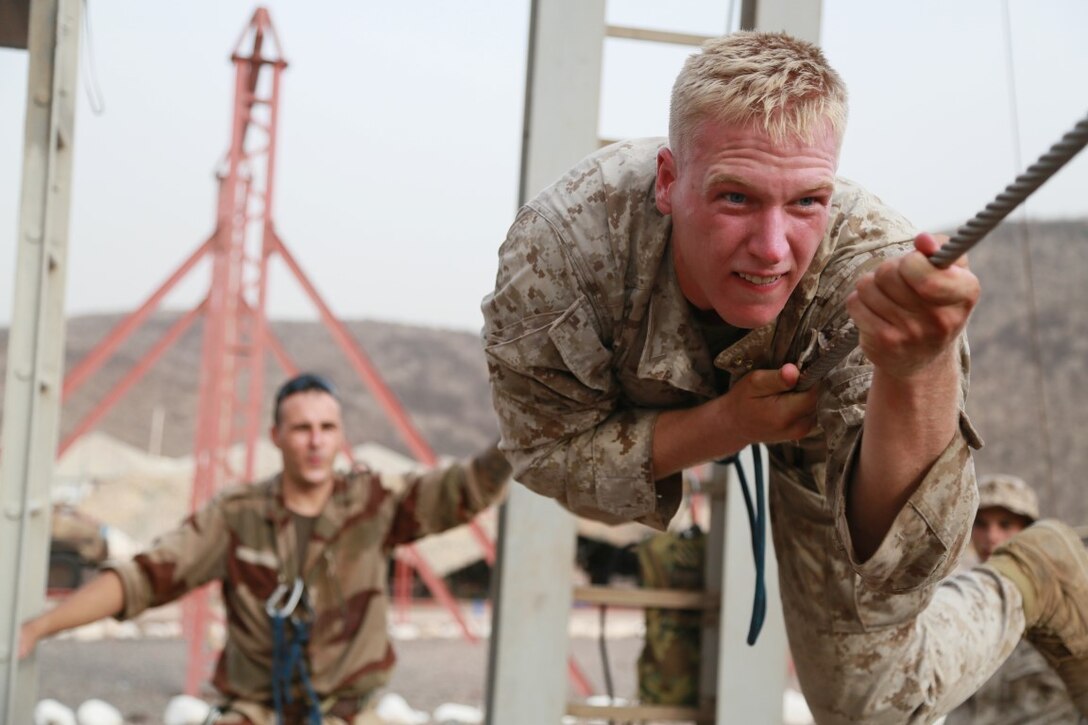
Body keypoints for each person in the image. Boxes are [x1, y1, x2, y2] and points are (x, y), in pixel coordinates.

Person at [481, 30, 1088, 724]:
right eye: (736, 198)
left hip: (823, 406)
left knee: (869, 707)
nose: (772, 249)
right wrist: (726, 423)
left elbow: (901, 566)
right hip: (641, 397)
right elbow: (546, 454)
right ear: (669, 180)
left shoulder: (876, 271)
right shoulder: (560, 252)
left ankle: (1035, 573)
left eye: (806, 203)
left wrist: (915, 373)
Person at [20, 373, 510, 724]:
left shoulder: (374, 503)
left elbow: (463, 490)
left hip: (349, 711)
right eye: (302, 429)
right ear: (277, 436)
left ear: (340, 437)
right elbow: (145, 578)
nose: (315, 442)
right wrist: (38, 628)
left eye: (327, 429)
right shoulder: (238, 515)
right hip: (257, 710)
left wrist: (517, 437)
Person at [947, 474, 1085, 725]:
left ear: (1027, 532)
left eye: (1005, 524)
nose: (991, 536)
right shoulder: (956, 603)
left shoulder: (1059, 603)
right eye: (981, 524)